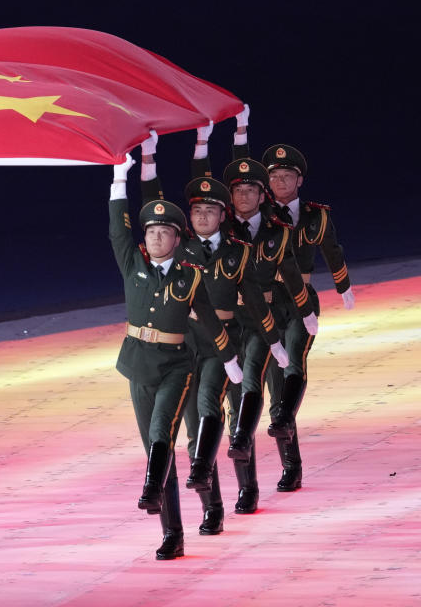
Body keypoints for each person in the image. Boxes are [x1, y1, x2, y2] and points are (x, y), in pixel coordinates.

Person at [139, 129, 287, 536]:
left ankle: (248, 487)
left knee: (237, 417)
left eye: (211, 209)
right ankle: (212, 507)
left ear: (223, 214)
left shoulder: (237, 246)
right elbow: (155, 203)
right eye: (196, 210)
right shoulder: (180, 248)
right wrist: (148, 158)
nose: (202, 215)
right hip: (188, 346)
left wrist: (273, 340)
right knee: (195, 427)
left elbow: (254, 296)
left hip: (231, 339)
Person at [108, 147, 241, 561]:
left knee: (190, 434)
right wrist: (121, 176)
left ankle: (212, 506)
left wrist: (230, 359)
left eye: (166, 231)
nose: (158, 236)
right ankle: (173, 532)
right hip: (142, 363)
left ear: (178, 237)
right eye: (152, 231)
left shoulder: (190, 268)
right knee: (159, 444)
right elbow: (126, 224)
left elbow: (209, 316)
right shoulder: (139, 263)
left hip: (184, 361)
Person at [193, 107, 317, 512]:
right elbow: (217, 174)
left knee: (277, 392)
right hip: (235, 323)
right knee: (235, 402)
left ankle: (290, 464)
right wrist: (220, 134)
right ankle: (248, 488)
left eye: (251, 189)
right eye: (235, 191)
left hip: (272, 316)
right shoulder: (224, 227)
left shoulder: (276, 226)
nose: (241, 196)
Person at [261, 142, 354, 492]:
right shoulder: (259, 217)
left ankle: (285, 416)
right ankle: (291, 466)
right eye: (274, 176)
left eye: (287, 176)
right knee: (274, 384)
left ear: (299, 180)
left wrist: (343, 286)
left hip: (302, 301)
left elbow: (332, 250)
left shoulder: (316, 216)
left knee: (295, 361)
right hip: (268, 304)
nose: (281, 182)